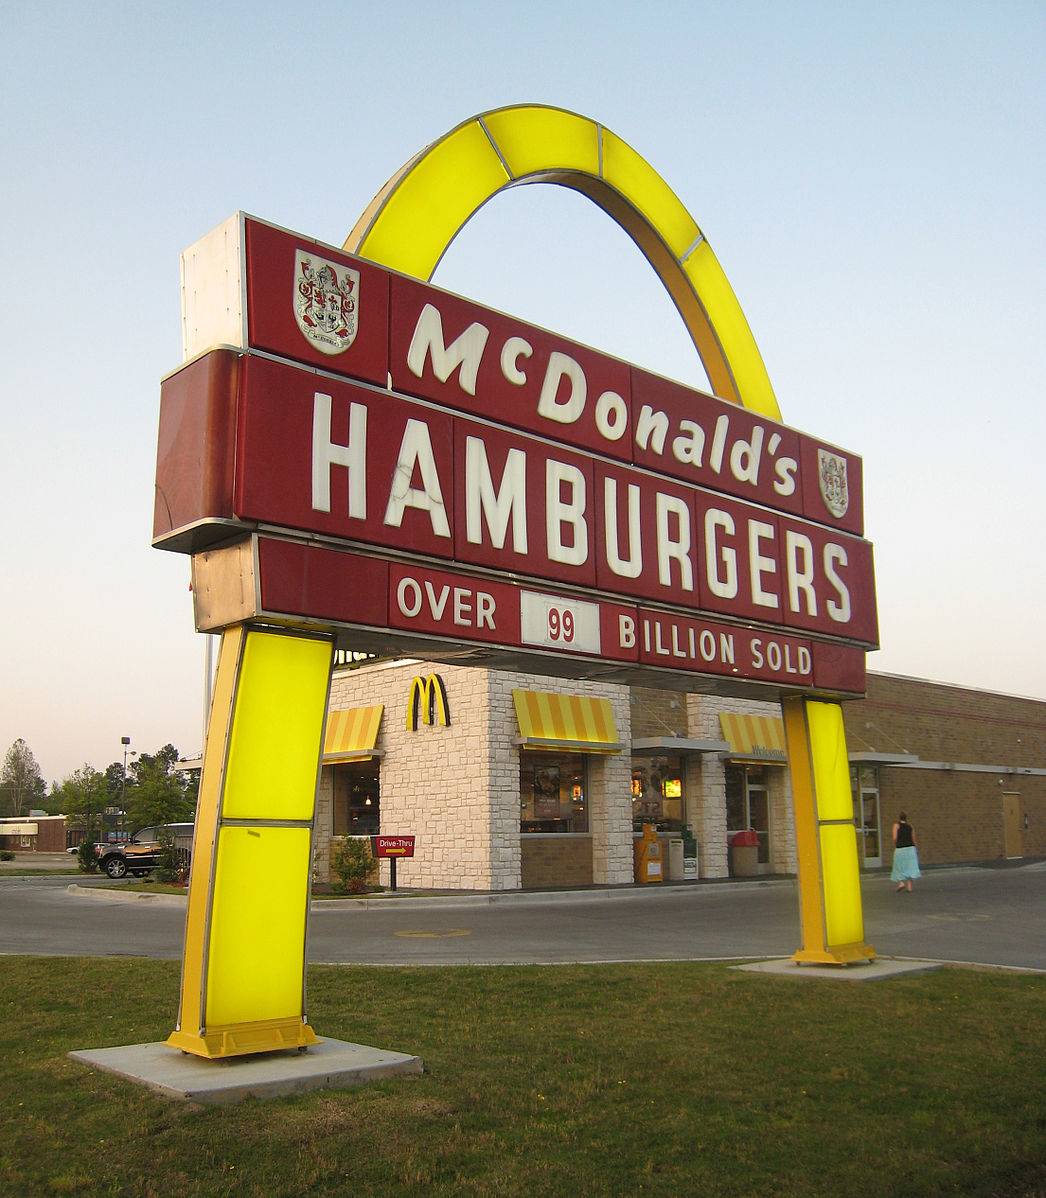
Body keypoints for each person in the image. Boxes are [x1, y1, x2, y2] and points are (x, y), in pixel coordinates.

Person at [891, 812, 921, 892]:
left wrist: (896, 844)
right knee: (910, 867)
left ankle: (901, 883)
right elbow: (913, 839)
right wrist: (916, 849)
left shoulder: (896, 825)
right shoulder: (910, 826)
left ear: (899, 818)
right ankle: (910, 887)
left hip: (900, 849)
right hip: (910, 849)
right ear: (906, 818)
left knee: (898, 866)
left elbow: (894, 838)